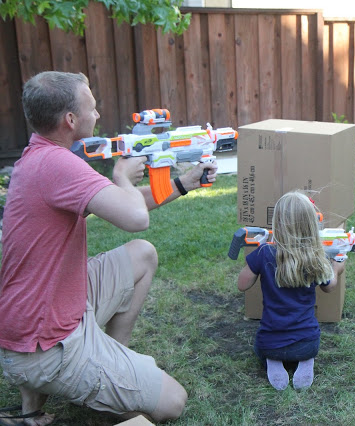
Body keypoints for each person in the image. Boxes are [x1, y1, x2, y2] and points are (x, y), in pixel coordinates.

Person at [0, 71, 218, 425]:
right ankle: (71, 379)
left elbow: (121, 204)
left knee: (142, 254)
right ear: (70, 120)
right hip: (46, 342)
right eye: (93, 107)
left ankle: (109, 360)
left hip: (44, 310)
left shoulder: (41, 156)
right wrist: (121, 175)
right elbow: (134, 215)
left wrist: (184, 183)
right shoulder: (59, 164)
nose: (98, 115)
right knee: (172, 402)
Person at [237, 191, 345, 391]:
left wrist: (257, 259)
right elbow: (329, 287)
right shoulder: (316, 257)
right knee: (306, 348)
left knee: (261, 347)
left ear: (277, 223)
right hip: (308, 343)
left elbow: (242, 285)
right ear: (312, 225)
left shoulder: (264, 253)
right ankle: (305, 362)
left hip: (270, 344)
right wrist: (337, 266)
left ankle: (274, 363)